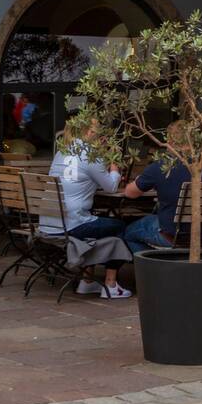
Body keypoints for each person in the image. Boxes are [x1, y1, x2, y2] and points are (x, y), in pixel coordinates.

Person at [44, 120, 131, 299]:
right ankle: (111, 285)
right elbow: (111, 187)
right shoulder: (90, 154)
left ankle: (87, 281)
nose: (100, 135)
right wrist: (114, 166)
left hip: (49, 223)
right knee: (120, 226)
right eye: (97, 131)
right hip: (72, 225)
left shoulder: (61, 152)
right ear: (89, 133)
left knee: (96, 222)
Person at [121, 121, 202, 254]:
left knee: (128, 232)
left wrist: (141, 179)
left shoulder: (161, 166)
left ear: (170, 140)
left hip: (172, 235)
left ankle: (156, 266)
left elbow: (130, 193)